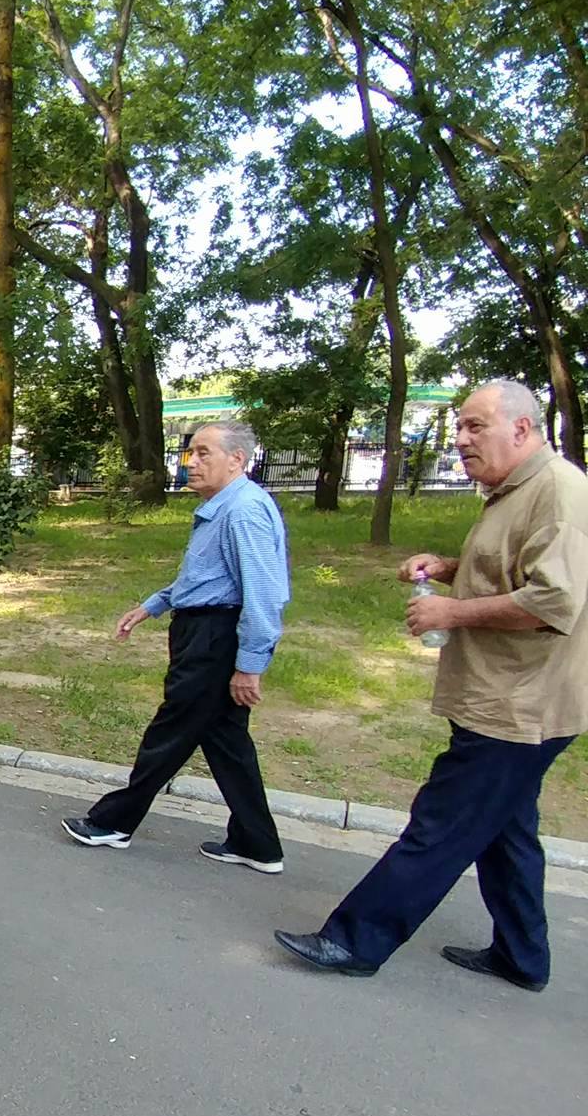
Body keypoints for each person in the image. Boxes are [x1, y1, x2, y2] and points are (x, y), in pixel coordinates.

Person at [276, 381, 588, 988]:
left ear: (522, 429)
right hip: (508, 697)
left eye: (475, 426)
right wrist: (448, 569)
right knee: (506, 830)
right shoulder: (515, 490)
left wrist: (452, 611)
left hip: (521, 705)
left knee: (442, 824)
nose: (461, 439)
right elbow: (513, 568)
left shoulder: (558, 493)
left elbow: (553, 602)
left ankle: (354, 940)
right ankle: (522, 956)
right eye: (459, 426)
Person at [60, 421, 290, 874]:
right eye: (191, 453)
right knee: (227, 743)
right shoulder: (223, 507)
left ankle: (113, 822)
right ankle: (257, 843)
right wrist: (152, 606)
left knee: (171, 732)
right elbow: (203, 578)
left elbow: (264, 594)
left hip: (214, 640)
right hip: (205, 631)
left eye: (204, 453)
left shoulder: (243, 511)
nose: (192, 462)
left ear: (237, 460)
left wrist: (249, 665)